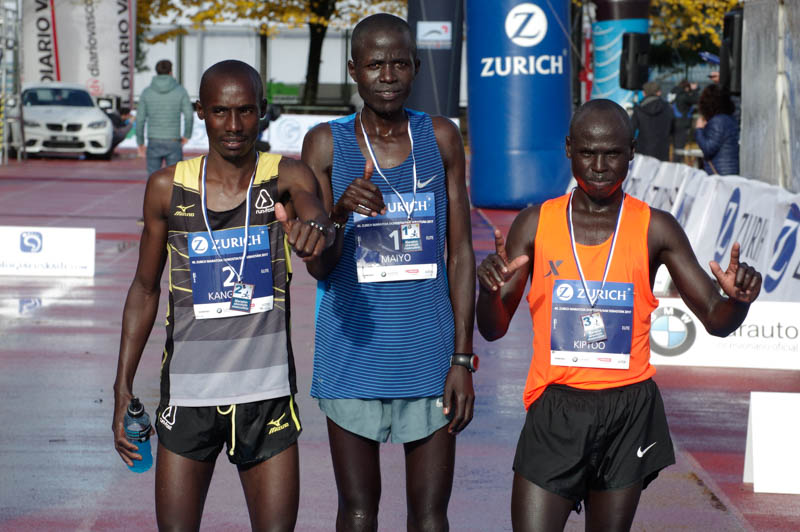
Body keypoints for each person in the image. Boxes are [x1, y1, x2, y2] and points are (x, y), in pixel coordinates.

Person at [476, 99, 761, 531]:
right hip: (555, 409)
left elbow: (716, 319)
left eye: (612, 153)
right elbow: (493, 328)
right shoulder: (535, 224)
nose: (599, 165)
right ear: (569, 148)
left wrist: (738, 300)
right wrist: (487, 292)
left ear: (632, 151)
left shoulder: (656, 227)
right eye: (588, 152)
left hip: (627, 411)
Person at [112, 60, 335, 530]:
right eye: (220, 111)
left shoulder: (285, 177)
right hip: (188, 398)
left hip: (267, 397)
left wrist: (315, 229)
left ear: (264, 111)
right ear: (200, 112)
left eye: (246, 111)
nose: (234, 126)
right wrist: (122, 387)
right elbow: (144, 289)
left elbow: (313, 211)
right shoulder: (166, 188)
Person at [301, 13, 476, 530]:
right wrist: (336, 214)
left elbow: (461, 253)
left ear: (416, 68)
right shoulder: (325, 144)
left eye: (399, 62)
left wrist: (462, 358)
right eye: (375, 63)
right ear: (353, 69)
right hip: (352, 357)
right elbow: (319, 266)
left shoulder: (441, 138)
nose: (387, 74)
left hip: (429, 356)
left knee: (429, 516)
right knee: (357, 512)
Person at [136, 59, 195, 177]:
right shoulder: (180, 91)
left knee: (153, 180)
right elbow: (189, 115)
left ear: (156, 72)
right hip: (173, 140)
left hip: (153, 140)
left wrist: (140, 142)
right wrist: (187, 135)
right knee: (176, 179)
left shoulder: (146, 92)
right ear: (170, 72)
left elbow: (140, 119)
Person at [695, 83, 740, 175]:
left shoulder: (718, 121)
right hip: (729, 170)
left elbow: (708, 148)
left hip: (719, 174)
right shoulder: (730, 119)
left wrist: (699, 129)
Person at [631, 81, 673, 161]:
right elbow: (674, 129)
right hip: (663, 152)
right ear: (659, 92)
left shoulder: (638, 109)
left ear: (644, 93)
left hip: (643, 152)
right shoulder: (668, 108)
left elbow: (631, 130)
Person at [670, 80, 699, 154]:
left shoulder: (674, 94)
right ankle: (677, 163)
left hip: (674, 122)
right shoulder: (683, 96)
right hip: (682, 123)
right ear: (686, 87)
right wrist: (695, 90)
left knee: (676, 147)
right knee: (680, 148)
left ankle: (675, 162)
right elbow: (697, 100)